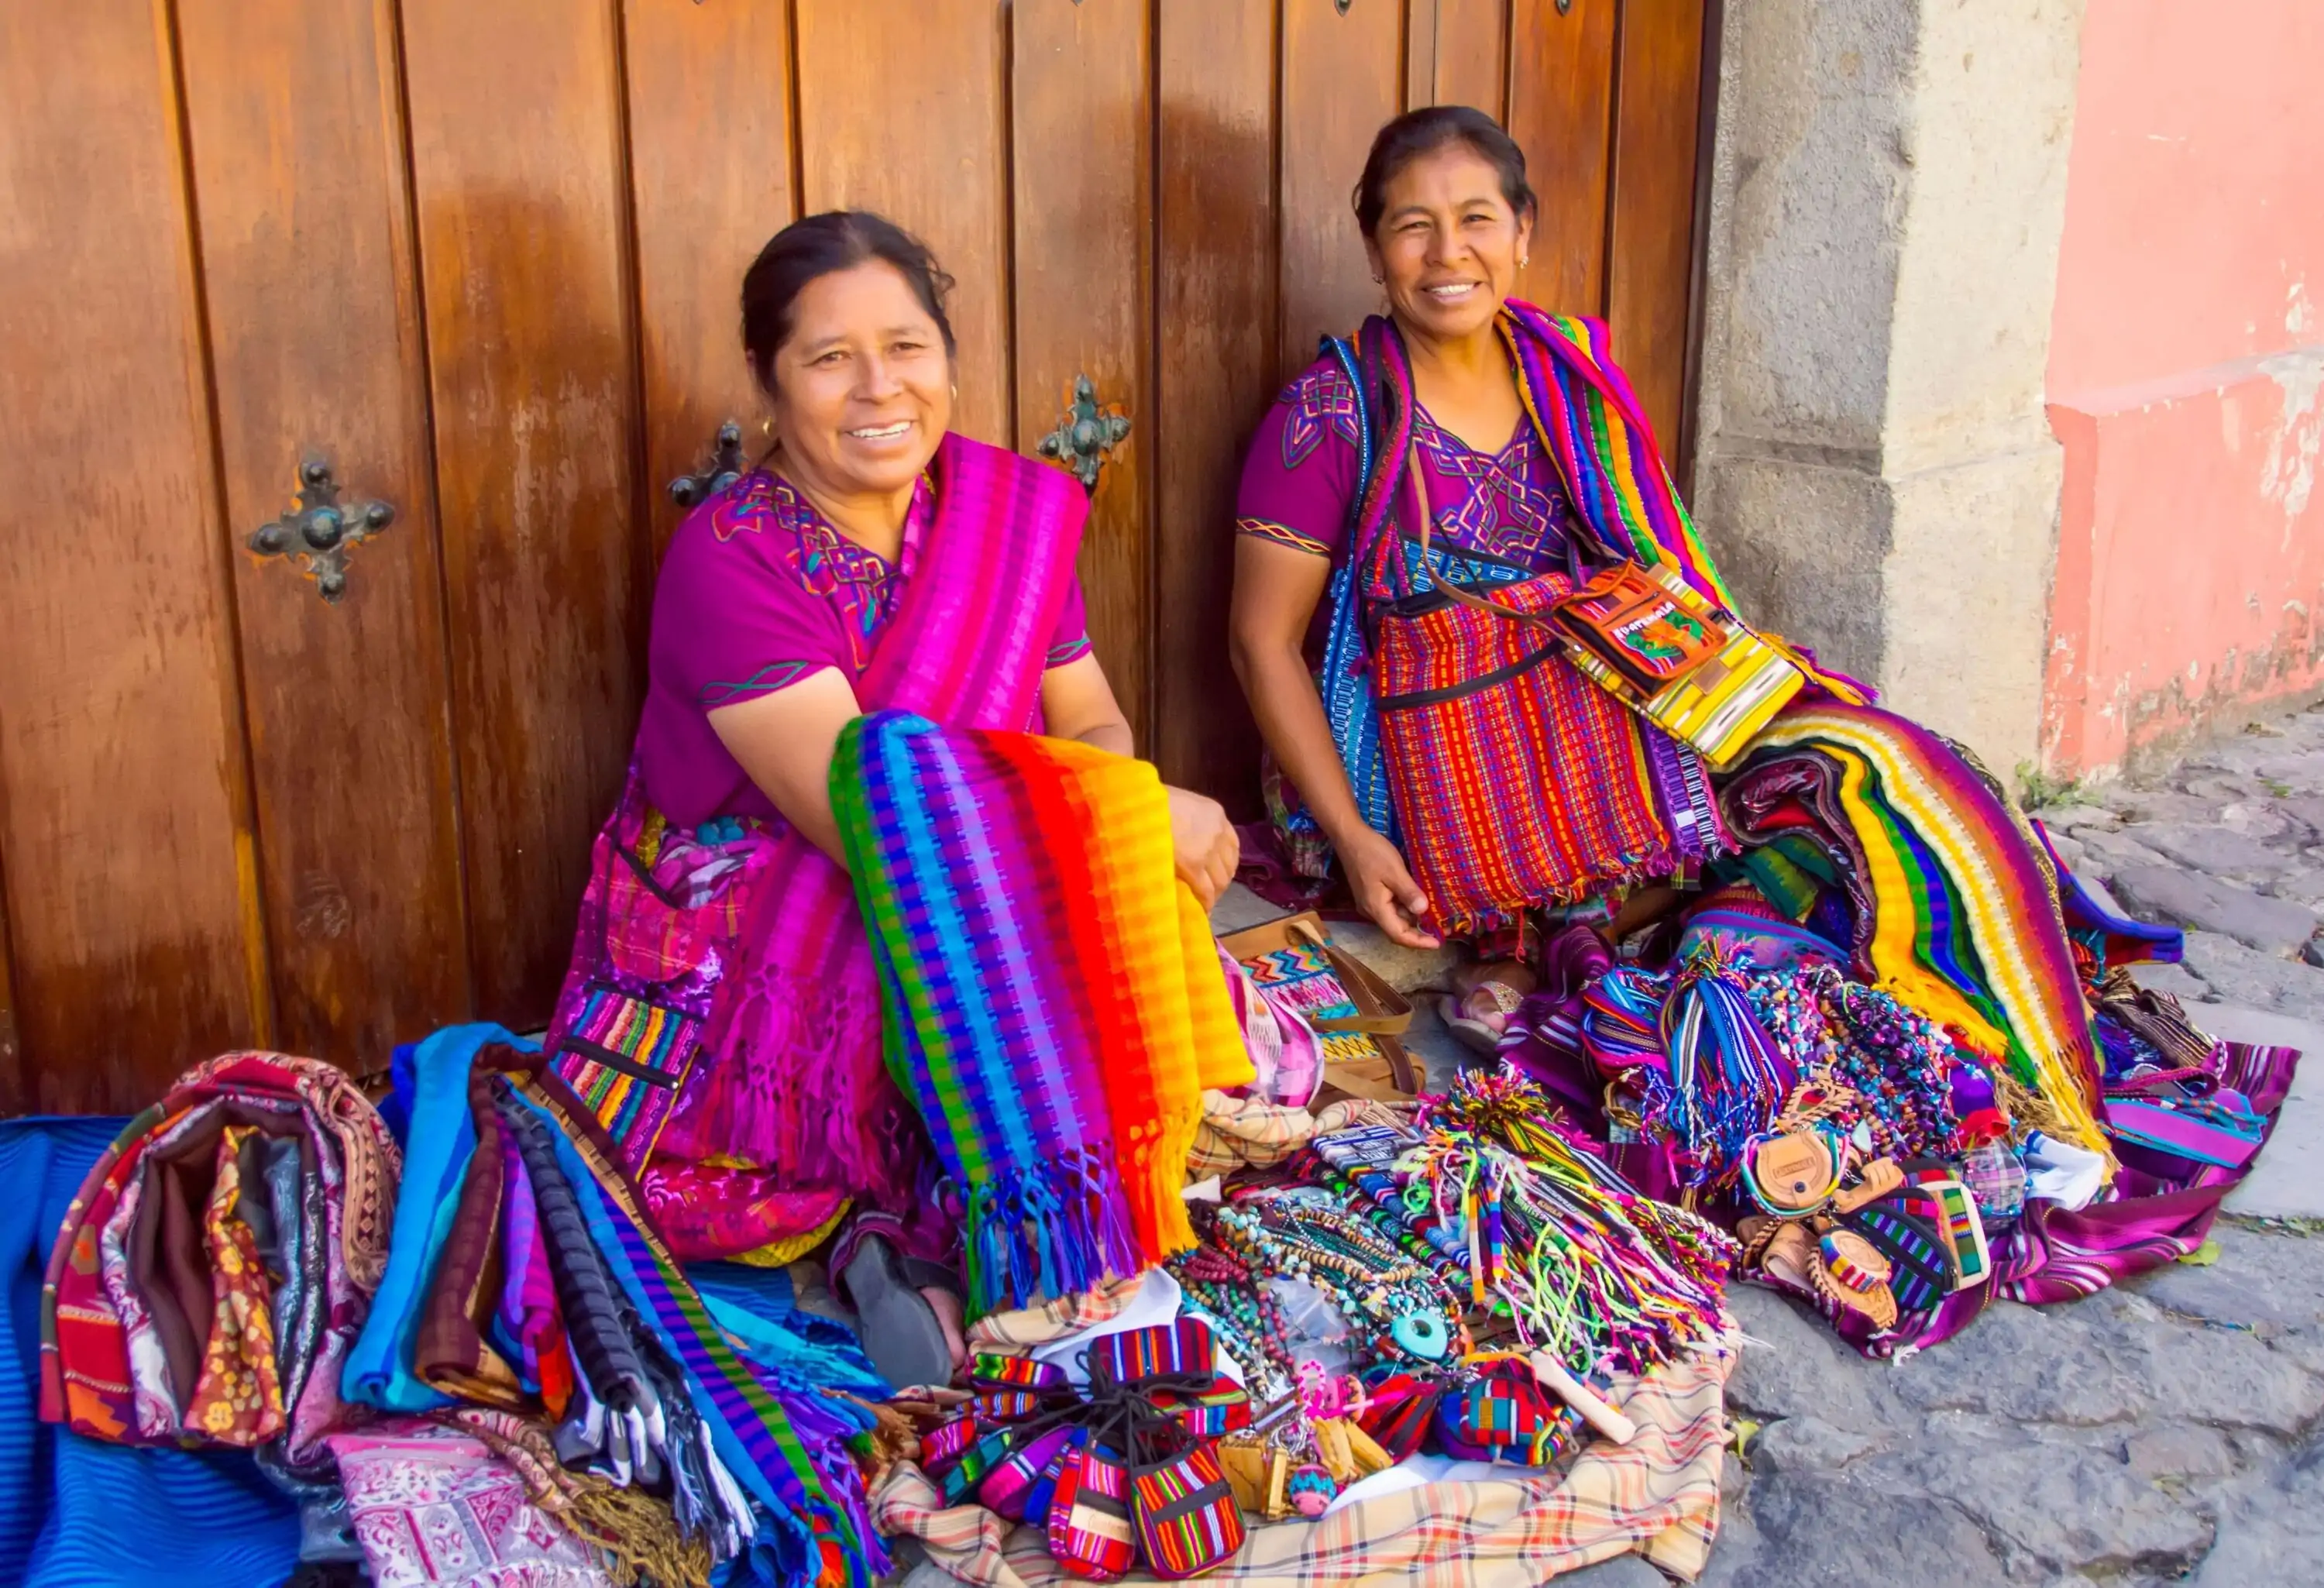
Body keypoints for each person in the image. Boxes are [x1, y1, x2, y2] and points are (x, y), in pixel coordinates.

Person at [548, 211, 1238, 1387]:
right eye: (829, 359)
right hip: (774, 922)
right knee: (965, 965)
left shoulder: (1004, 515)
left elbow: (1095, 725)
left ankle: (968, 1209)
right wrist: (1130, 817)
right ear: (769, 387)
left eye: (907, 346)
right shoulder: (734, 559)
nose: (880, 388)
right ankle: (932, 1216)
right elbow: (861, 815)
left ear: (950, 361)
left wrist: (1125, 801)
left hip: (998, 864)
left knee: (1147, 969)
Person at [1231, 105, 1720, 1053]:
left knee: (1824, 767)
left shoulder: (1568, 379)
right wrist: (1354, 840)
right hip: (1410, 760)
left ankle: (1551, 931)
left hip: (1562, 732)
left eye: (1477, 219)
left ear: (1523, 232)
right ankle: (1537, 936)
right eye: (1412, 225)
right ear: (1374, 251)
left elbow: (1650, 570)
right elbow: (1262, 645)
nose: (1447, 252)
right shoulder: (1329, 416)